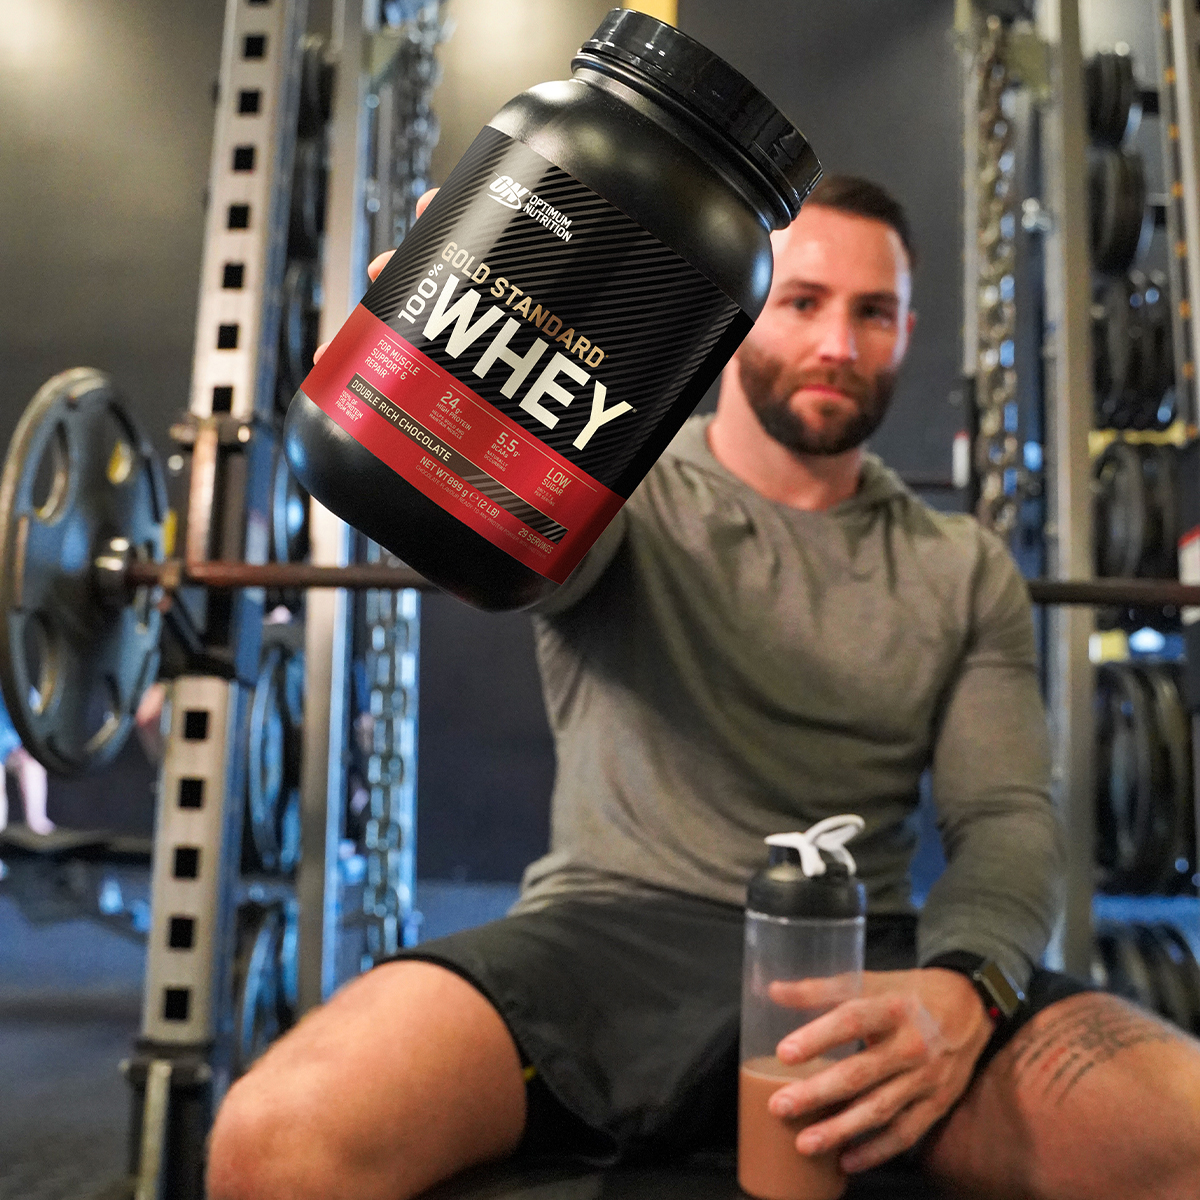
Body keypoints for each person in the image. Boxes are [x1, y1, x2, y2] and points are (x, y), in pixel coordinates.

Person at [207, 176, 1200, 1200]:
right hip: (602, 940)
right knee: (275, 1143)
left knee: (1185, 1137)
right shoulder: (621, 490)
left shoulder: (961, 566)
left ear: (907, 332)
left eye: (875, 313)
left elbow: (1005, 820)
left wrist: (967, 986)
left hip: (862, 952)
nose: (838, 345)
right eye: (804, 301)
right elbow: (530, 542)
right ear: (738, 314)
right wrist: (440, 386)